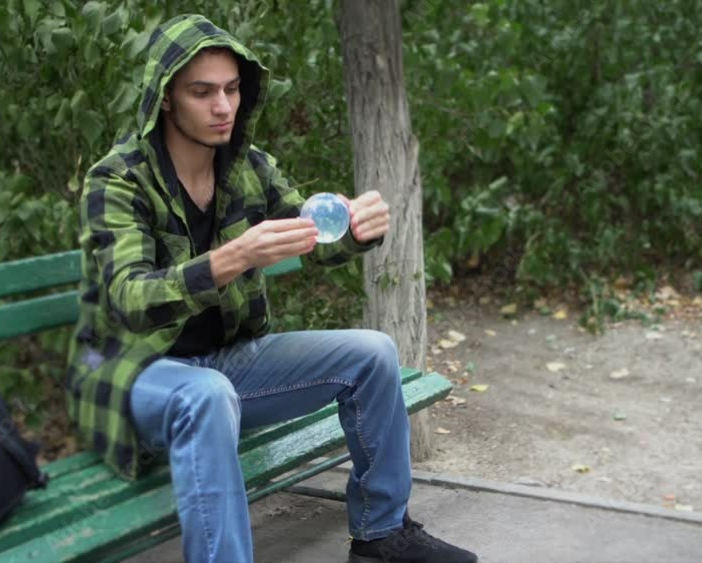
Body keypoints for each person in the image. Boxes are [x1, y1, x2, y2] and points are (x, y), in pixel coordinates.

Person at [65, 14, 477, 563]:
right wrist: (230, 259)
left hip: (225, 364)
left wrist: (355, 228)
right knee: (205, 396)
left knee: (373, 354)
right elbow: (130, 299)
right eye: (202, 92)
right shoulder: (118, 180)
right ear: (165, 99)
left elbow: (314, 237)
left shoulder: (247, 168)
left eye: (232, 89)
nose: (223, 107)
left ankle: (382, 536)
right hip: (134, 375)